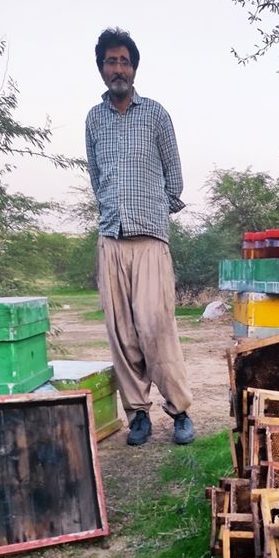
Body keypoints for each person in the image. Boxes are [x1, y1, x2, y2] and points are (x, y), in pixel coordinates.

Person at [85, 27, 194, 446]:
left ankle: (180, 410)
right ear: (101, 68)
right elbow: (97, 178)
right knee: (122, 333)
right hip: (111, 237)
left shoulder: (156, 114)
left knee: (156, 327)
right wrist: (116, 211)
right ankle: (138, 416)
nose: (118, 69)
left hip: (151, 238)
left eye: (124, 61)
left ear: (134, 68)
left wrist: (150, 210)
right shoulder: (93, 119)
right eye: (111, 61)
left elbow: (176, 179)